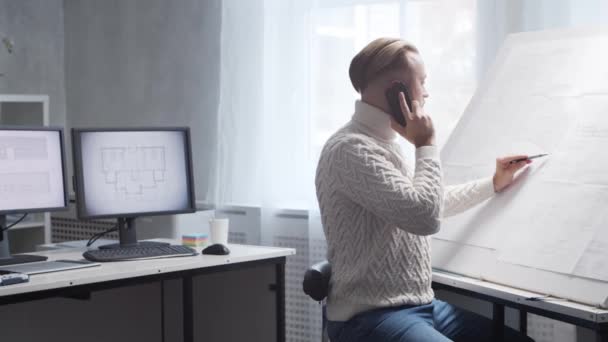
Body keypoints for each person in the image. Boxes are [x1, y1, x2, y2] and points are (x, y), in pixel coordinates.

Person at [315, 37, 535, 342]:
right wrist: (426, 144)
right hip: (368, 316)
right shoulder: (350, 150)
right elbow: (424, 218)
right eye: (422, 82)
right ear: (398, 92)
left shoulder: (384, 143)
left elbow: (425, 202)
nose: (427, 92)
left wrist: (492, 183)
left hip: (421, 305)